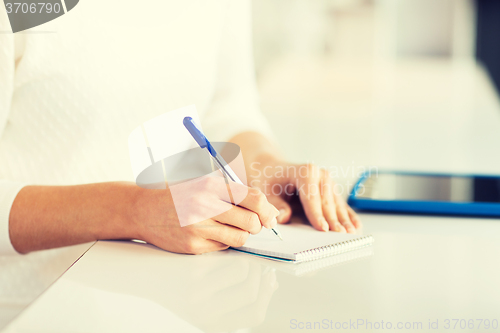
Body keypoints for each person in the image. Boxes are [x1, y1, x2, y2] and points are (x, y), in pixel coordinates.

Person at [0, 0, 361, 256]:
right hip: (36, 309)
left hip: (184, 295)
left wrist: (267, 165)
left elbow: (227, 108)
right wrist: (132, 211)